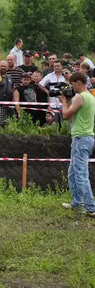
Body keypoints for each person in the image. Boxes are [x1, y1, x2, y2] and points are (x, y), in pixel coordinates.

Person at [59, 72, 95, 217]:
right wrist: (68, 101)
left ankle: (91, 207)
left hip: (82, 138)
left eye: (72, 84)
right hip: (82, 137)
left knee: (80, 174)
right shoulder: (90, 97)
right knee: (73, 172)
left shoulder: (81, 97)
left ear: (78, 82)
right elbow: (74, 117)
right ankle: (77, 202)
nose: (72, 87)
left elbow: (66, 115)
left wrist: (63, 102)